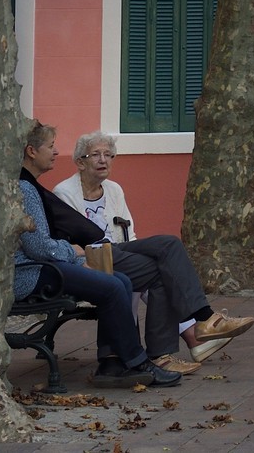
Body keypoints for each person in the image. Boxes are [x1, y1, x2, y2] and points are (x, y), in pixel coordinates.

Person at [49, 130, 254, 372]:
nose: (103, 160)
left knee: (169, 245)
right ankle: (193, 329)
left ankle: (197, 327)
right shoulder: (64, 192)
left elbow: (129, 232)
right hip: (91, 258)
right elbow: (71, 241)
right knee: (163, 269)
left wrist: (136, 256)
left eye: (108, 154)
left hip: (119, 251)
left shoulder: (114, 189)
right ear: (80, 162)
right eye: (95, 155)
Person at [14, 121, 182, 388]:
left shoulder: (30, 187)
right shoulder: (25, 189)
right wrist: (72, 252)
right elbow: (36, 247)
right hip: (32, 273)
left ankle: (113, 363)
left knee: (120, 281)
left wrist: (74, 255)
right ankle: (137, 362)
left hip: (45, 267)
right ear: (31, 151)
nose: (56, 152)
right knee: (113, 286)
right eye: (51, 147)